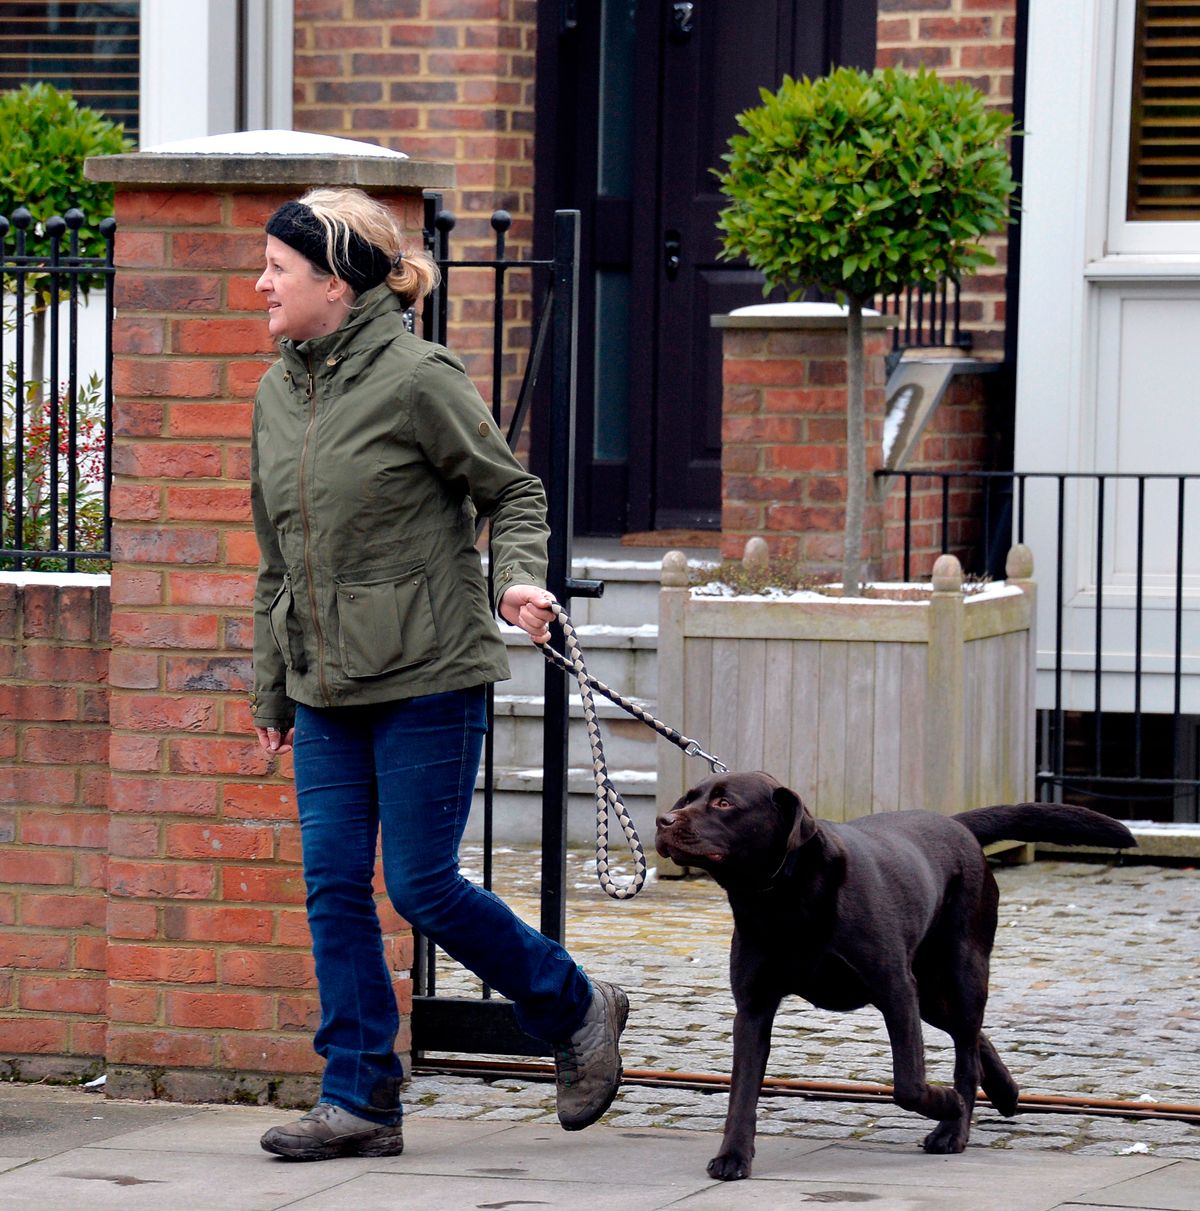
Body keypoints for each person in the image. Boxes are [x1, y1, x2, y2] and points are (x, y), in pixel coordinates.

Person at [248, 187, 628, 1161]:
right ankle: (360, 1096)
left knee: (420, 885)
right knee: (334, 887)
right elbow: (277, 557)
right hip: (325, 688)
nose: (261, 285)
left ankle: (576, 1004)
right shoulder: (276, 395)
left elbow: (513, 491)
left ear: (337, 282)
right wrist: (271, 688)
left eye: (278, 269)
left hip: (427, 672)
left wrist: (518, 580)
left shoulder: (420, 378)